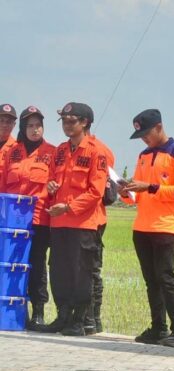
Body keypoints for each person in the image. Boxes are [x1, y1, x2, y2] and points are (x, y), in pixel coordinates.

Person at [119, 109, 174, 347]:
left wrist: (149, 186)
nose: (143, 139)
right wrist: (126, 193)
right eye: (140, 135)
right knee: (151, 280)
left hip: (166, 227)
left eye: (146, 133)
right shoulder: (143, 155)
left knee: (166, 278)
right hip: (142, 226)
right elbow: (136, 195)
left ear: (159, 127)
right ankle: (158, 327)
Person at [42, 102, 108, 336]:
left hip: (83, 223)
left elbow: (95, 192)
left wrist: (68, 207)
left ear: (85, 123)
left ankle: (80, 320)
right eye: (64, 121)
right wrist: (50, 187)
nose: (67, 126)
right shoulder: (59, 151)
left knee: (82, 273)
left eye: (72, 121)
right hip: (59, 223)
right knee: (59, 270)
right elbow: (50, 180)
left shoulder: (96, 152)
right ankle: (62, 315)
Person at [0, 106, 55, 330]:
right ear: (23, 128)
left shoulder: (52, 152)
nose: (35, 129)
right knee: (11, 265)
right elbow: (3, 183)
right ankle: (13, 310)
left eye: (38, 125)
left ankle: (38, 312)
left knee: (37, 265)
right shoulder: (11, 152)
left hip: (38, 219)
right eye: (30, 125)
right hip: (12, 221)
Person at [84, 108, 115, 335]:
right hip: (73, 221)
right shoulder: (65, 150)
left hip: (94, 219)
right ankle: (81, 316)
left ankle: (94, 318)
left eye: (71, 121)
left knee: (91, 269)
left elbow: (105, 188)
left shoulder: (100, 150)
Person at [0, 103, 18, 184]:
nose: (4, 125)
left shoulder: (17, 149)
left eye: (9, 122)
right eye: (1, 120)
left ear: (14, 125)